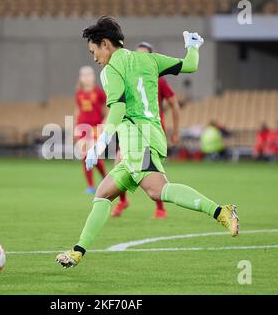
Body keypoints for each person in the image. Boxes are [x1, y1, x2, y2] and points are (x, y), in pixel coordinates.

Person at [56, 16, 239, 268]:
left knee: (157, 190)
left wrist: (99, 144)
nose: (94, 58)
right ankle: (78, 251)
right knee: (103, 194)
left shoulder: (110, 70)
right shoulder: (149, 59)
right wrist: (193, 45)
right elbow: (190, 66)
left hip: (136, 138)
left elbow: (118, 108)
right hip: (151, 134)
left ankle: (221, 211)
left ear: (106, 44)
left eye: (94, 51)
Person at [112, 41, 181, 219]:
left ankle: (160, 208)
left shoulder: (159, 81)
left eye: (144, 54)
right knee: (119, 161)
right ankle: (123, 201)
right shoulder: (130, 78)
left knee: (151, 172)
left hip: (151, 132)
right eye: (137, 54)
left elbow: (175, 105)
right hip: (133, 131)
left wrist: (176, 131)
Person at [75, 66, 107, 193]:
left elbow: (108, 107)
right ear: (80, 78)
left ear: (93, 77)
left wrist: (105, 122)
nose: (87, 77)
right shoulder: (79, 94)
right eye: (84, 75)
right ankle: (91, 186)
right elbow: (78, 111)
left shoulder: (98, 92)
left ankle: (105, 179)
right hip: (82, 128)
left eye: (89, 75)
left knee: (93, 155)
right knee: (85, 156)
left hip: (95, 128)